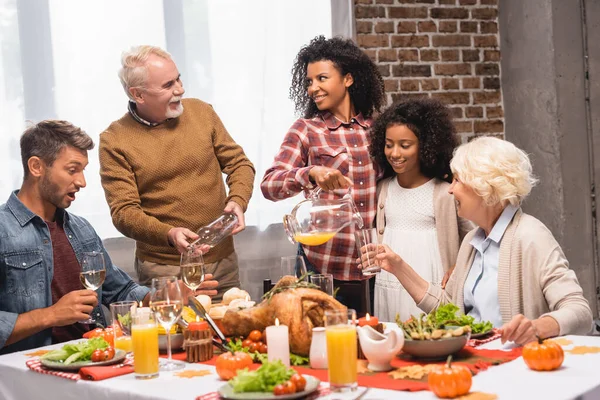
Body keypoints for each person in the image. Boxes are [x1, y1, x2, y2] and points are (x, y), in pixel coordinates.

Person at [0, 121, 218, 354]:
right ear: (36, 167)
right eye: (72, 170)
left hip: (97, 359)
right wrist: (50, 315)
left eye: (83, 170)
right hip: (26, 373)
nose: (82, 182)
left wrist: (164, 297)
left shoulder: (81, 229)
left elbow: (122, 292)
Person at [365, 136, 593, 345]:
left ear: (485, 186)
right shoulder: (472, 241)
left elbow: (579, 311)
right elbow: (448, 309)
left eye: (457, 180)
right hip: (476, 363)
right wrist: (398, 267)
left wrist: (537, 327)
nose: (451, 190)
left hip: (516, 367)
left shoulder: (531, 236)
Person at [99, 45, 255, 301]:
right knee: (175, 339)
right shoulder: (114, 140)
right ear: (138, 94)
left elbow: (239, 164)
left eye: (179, 78)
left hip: (222, 262)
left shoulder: (202, 112)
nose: (180, 89)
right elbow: (124, 212)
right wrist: (168, 234)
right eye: (168, 85)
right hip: (166, 270)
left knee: (228, 334)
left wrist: (238, 200)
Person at [261, 36, 385, 315]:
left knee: (367, 347)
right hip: (322, 268)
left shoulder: (378, 129)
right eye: (309, 81)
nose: (313, 88)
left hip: (373, 268)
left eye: (322, 78)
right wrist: (310, 173)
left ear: (348, 79)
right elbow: (270, 185)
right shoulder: (306, 129)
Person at [368, 99, 474, 322]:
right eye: (389, 144)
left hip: (429, 279)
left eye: (405, 145)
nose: (395, 153)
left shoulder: (445, 193)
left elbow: (473, 237)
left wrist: (457, 266)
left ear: (425, 145)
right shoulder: (382, 190)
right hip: (389, 281)